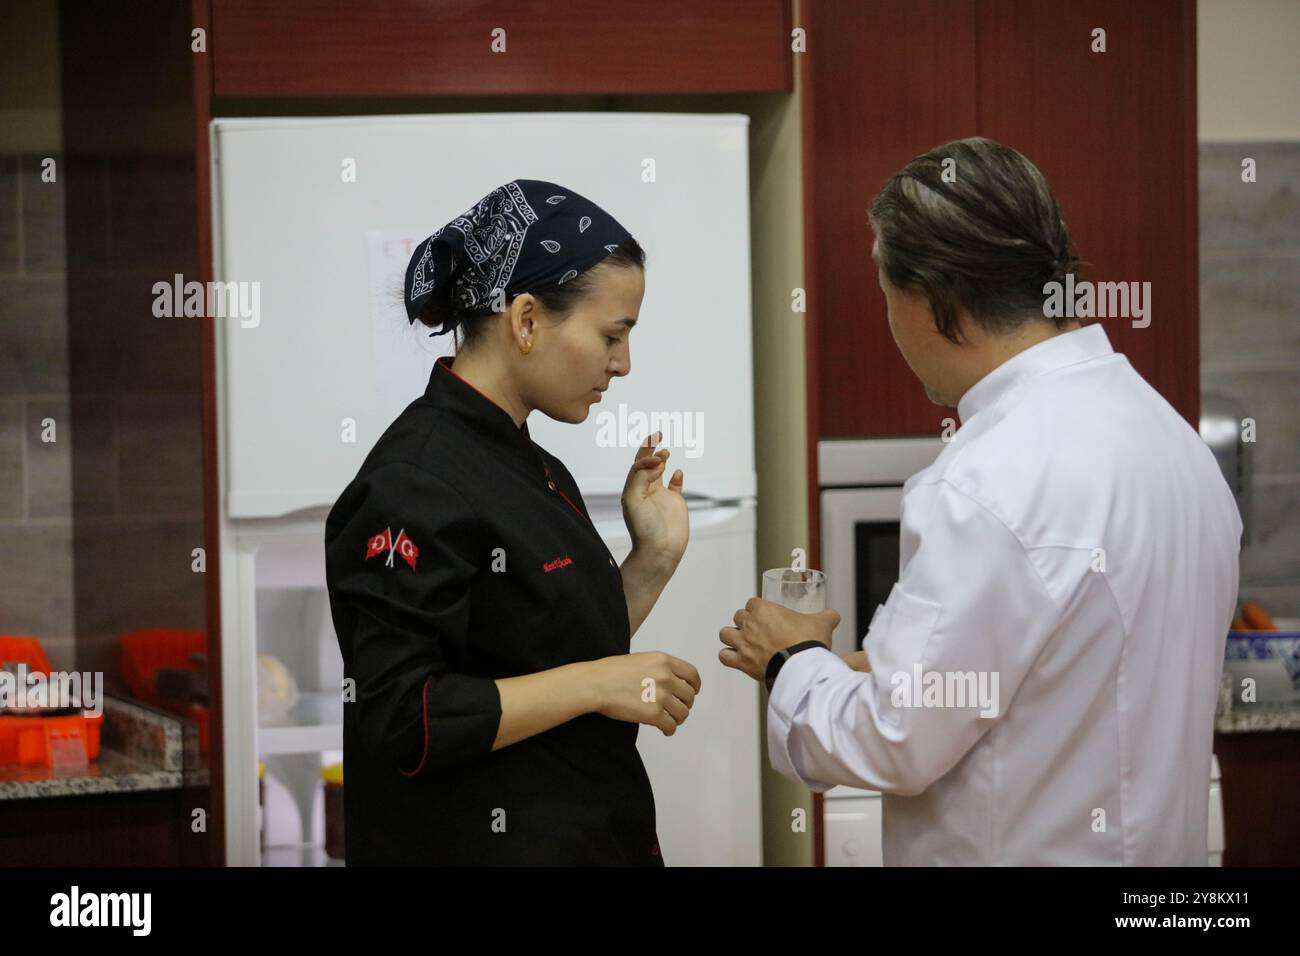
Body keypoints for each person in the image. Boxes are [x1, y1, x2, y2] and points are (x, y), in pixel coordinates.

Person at [719, 138, 1242, 865]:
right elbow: (1065, 669)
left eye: (887, 295)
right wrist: (882, 667)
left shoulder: (986, 479)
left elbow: (895, 739)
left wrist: (793, 657)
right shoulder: (1174, 443)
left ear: (939, 299)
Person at [325, 179, 699, 865]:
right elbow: (404, 718)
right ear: (525, 320)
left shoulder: (531, 462)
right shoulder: (414, 483)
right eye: (611, 335)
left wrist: (651, 561)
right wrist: (600, 683)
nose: (622, 364)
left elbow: (541, 648)